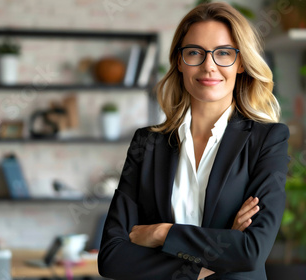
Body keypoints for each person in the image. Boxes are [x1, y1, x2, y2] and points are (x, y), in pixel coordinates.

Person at [98, 2, 290, 279]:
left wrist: (162, 233)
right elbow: (112, 257)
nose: (208, 66)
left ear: (240, 63)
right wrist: (214, 257)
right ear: (179, 61)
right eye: (194, 53)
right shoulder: (146, 143)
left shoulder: (267, 140)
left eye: (223, 53)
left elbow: (251, 250)